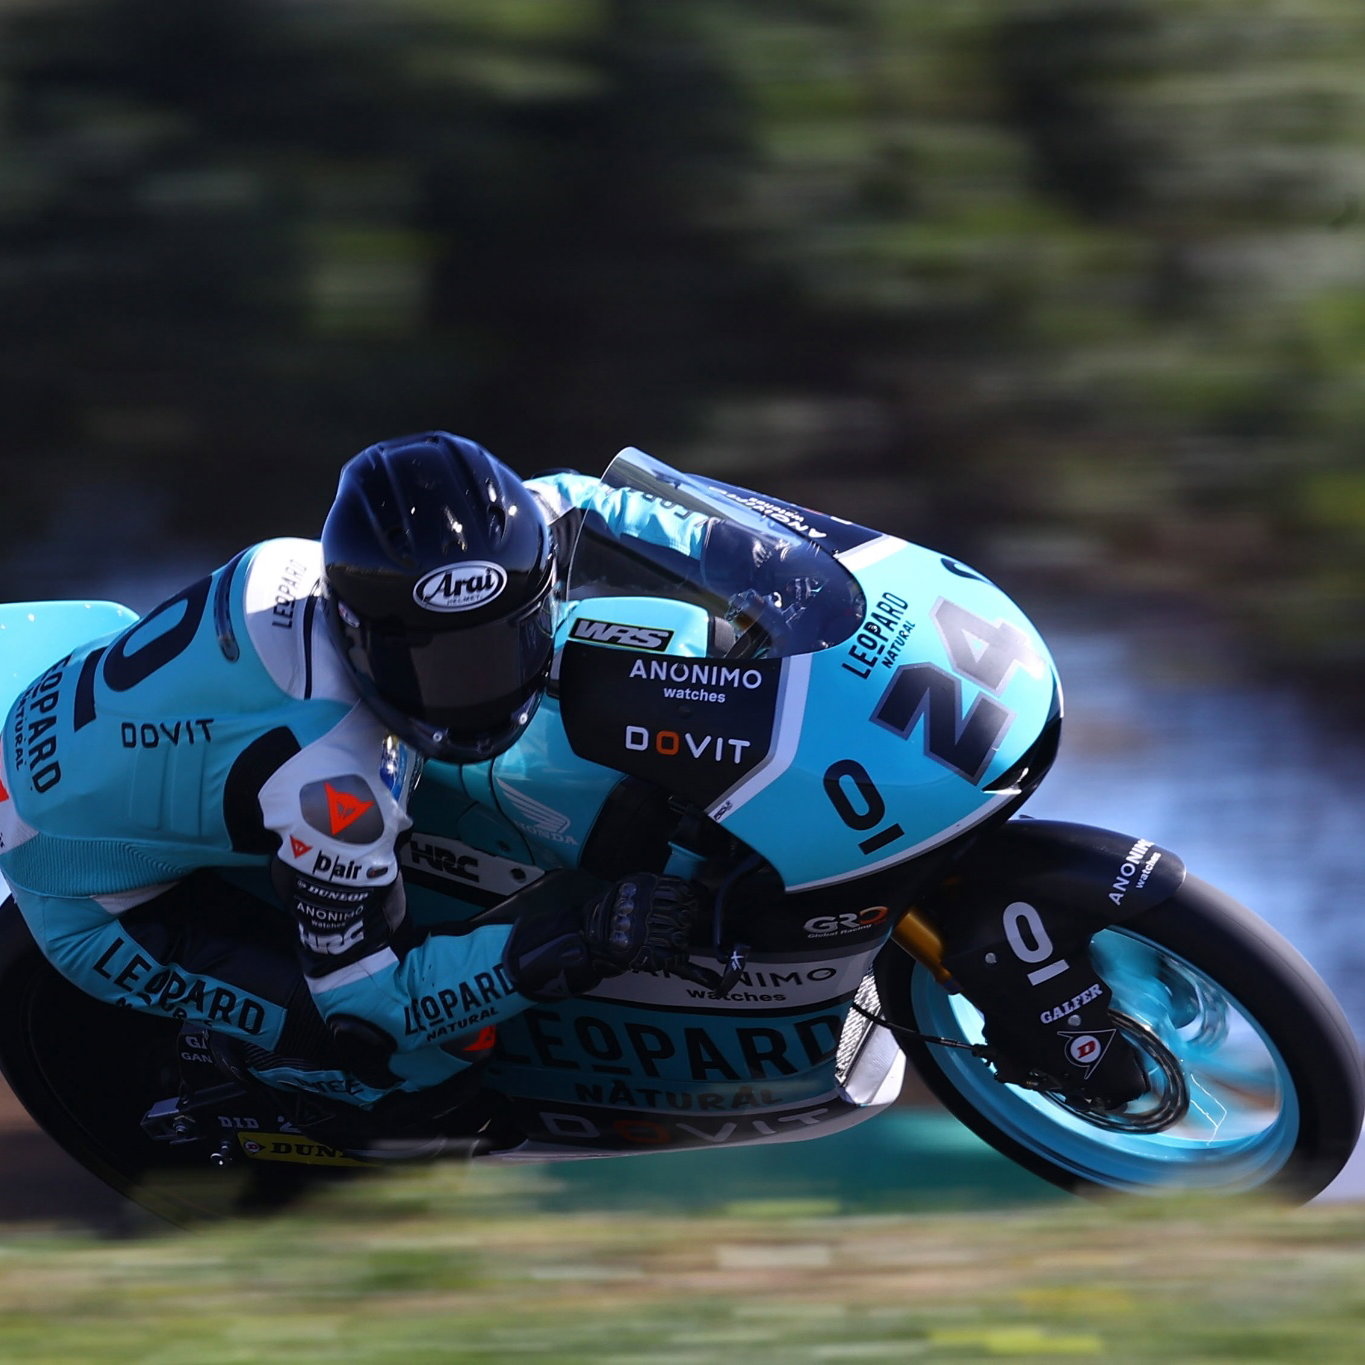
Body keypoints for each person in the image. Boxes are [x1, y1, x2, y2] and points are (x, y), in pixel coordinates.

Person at [0, 431, 738, 1136]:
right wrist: (586, 939)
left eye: (504, 640)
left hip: (88, 734)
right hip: (99, 908)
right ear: (357, 633)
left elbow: (584, 498)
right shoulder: (330, 780)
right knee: (418, 1059)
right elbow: (372, 1005)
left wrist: (747, 553)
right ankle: (275, 1076)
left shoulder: (399, 569)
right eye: (441, 668)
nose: (483, 689)